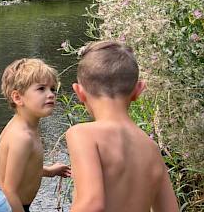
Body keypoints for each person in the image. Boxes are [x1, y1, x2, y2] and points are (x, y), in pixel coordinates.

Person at [65, 40, 179, 212]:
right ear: (138, 90)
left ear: (79, 92)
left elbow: (91, 203)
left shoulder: (82, 135)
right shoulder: (151, 148)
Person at [0, 58, 71, 212]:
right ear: (17, 97)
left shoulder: (25, 125)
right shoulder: (21, 138)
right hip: (10, 206)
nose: (50, 94)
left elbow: (23, 168)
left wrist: (49, 171)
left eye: (52, 89)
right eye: (41, 89)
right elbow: (9, 191)